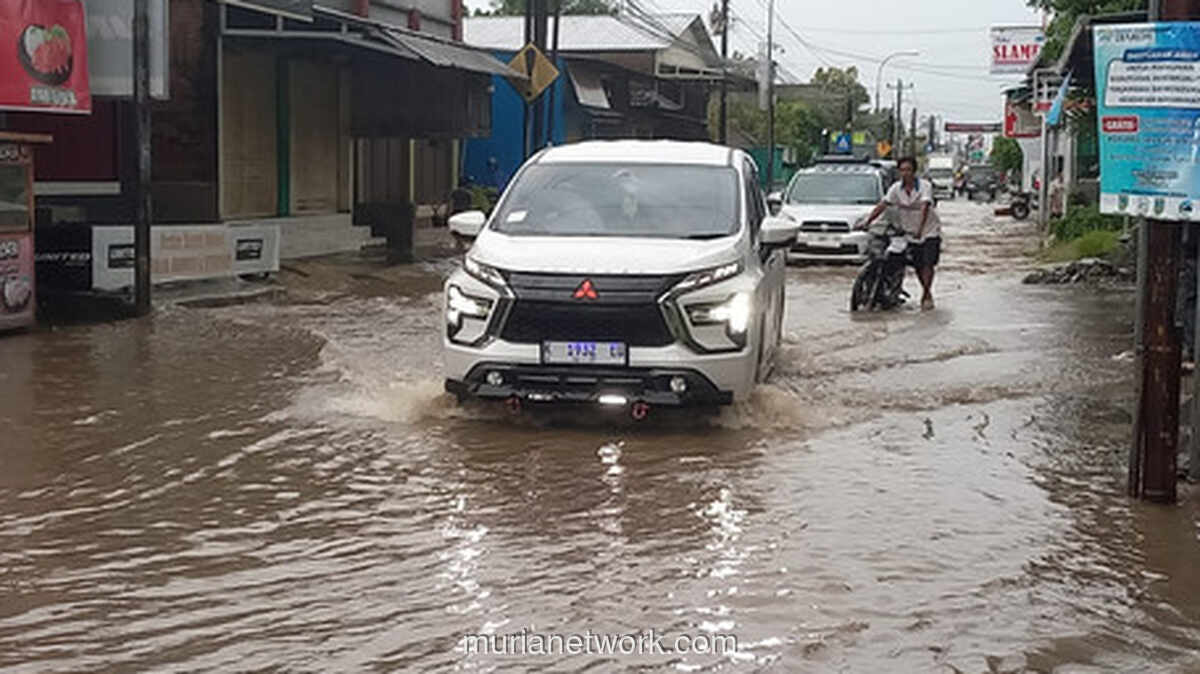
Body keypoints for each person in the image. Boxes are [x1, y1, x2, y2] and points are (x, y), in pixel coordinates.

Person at [858, 155, 942, 311]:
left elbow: (924, 207)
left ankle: (926, 294)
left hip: (929, 230)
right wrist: (867, 222)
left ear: (914, 171)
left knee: (927, 263)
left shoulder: (924, 186)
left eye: (908, 170)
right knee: (915, 263)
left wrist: (920, 230)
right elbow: (882, 205)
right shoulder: (896, 188)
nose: (905, 173)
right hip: (909, 230)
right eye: (902, 170)